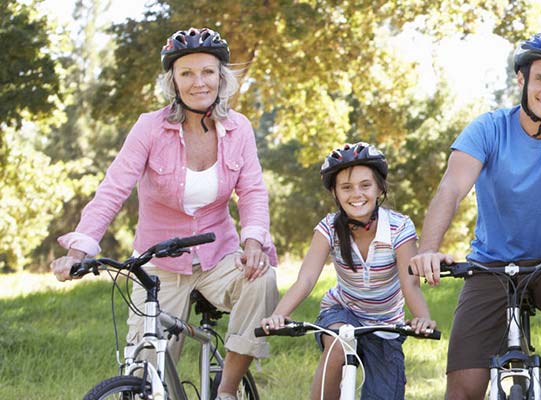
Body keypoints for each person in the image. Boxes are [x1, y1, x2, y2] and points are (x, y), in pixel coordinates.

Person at [50, 27, 278, 400]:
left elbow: (252, 191)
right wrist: (79, 251)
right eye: (186, 73)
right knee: (148, 368)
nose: (198, 82)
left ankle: (227, 389)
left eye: (207, 72)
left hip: (218, 255)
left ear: (222, 77)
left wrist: (253, 242)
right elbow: (114, 189)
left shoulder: (239, 129)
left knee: (261, 278)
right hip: (159, 263)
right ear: (172, 80)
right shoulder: (150, 128)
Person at [408, 32, 541, 400]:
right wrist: (428, 248)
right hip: (491, 264)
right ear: (521, 80)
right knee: (463, 392)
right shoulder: (488, 127)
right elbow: (452, 187)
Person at [260, 143, 436, 399]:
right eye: (346, 187)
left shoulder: (399, 227)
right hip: (343, 310)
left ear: (379, 188)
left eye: (365, 185)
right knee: (339, 341)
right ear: (335, 193)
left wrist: (422, 317)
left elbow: (410, 284)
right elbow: (307, 278)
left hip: (387, 325)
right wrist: (278, 315)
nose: (357, 194)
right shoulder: (329, 228)